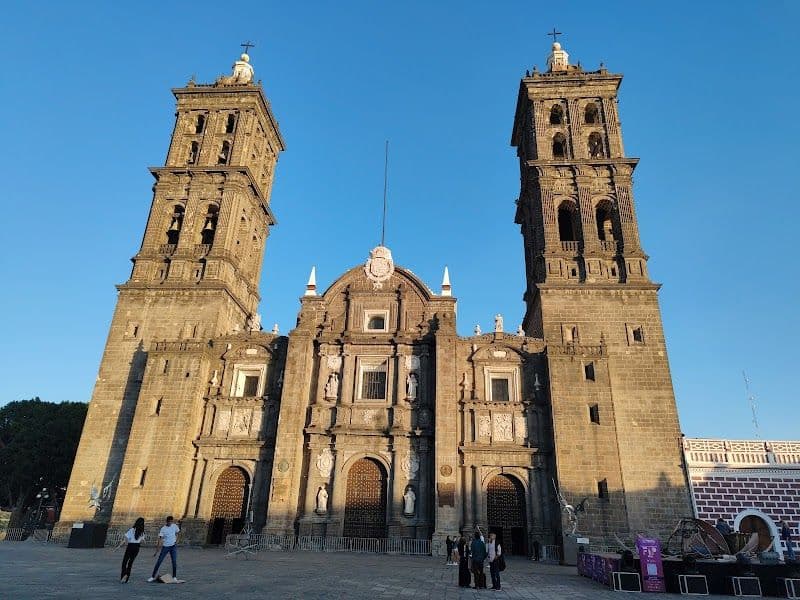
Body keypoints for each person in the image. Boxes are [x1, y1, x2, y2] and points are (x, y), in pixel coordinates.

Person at [148, 515, 180, 582]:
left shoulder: (174, 526)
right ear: (167, 521)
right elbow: (160, 539)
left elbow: (178, 533)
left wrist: (177, 541)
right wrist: (157, 550)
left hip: (173, 546)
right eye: (169, 522)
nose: (170, 523)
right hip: (165, 546)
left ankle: (174, 576)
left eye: (171, 522)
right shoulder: (163, 529)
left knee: (174, 561)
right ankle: (152, 576)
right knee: (159, 561)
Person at [116, 517, 145, 583]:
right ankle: (127, 578)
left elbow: (125, 539)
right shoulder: (142, 532)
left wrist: (119, 546)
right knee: (130, 563)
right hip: (137, 547)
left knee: (124, 562)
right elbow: (142, 540)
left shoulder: (132, 530)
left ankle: (123, 576)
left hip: (130, 546)